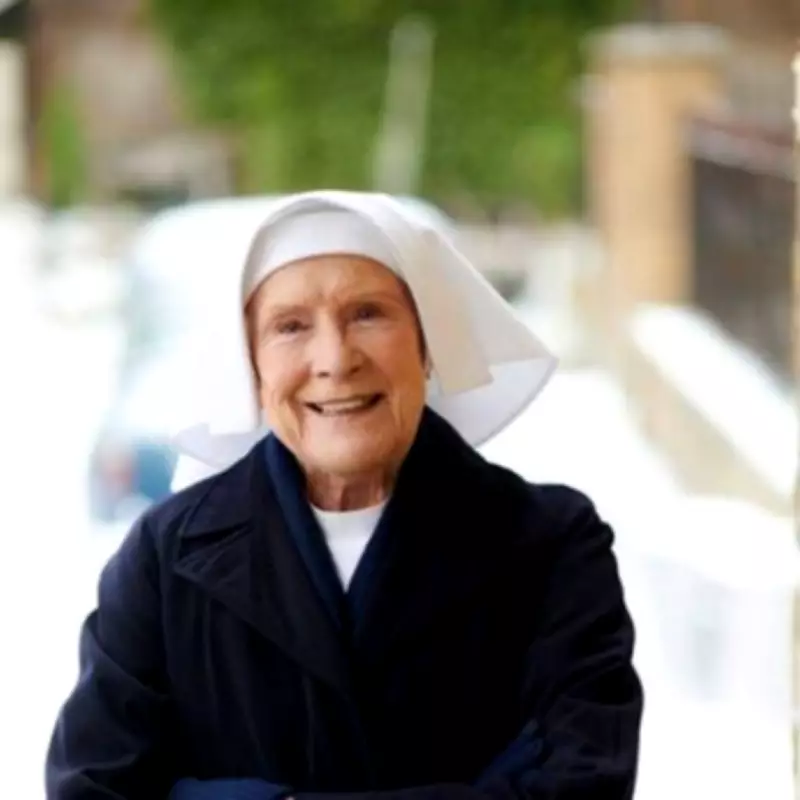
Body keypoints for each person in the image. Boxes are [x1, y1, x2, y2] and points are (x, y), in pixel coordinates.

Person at [46, 191, 643, 800]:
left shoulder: (551, 546)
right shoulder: (164, 560)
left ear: (427, 344)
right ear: (251, 364)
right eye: (290, 327)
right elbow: (93, 786)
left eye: (367, 314)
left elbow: (585, 785)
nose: (334, 359)